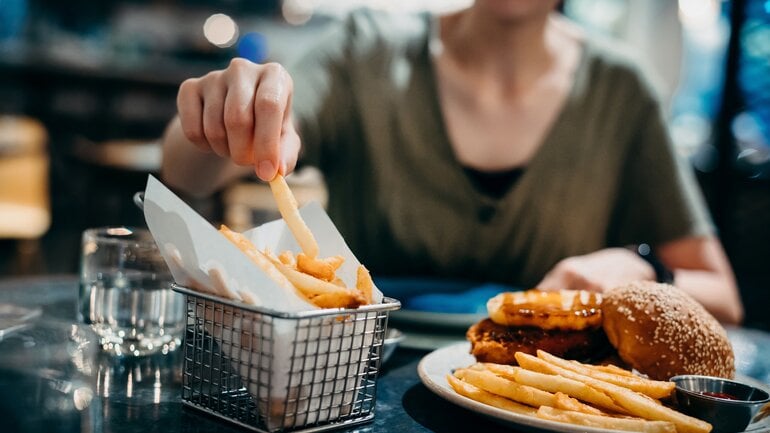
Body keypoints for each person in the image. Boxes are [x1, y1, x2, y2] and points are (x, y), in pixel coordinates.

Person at [161, 1, 744, 324]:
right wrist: (216, 122)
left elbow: (723, 296)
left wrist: (644, 270)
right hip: (351, 390)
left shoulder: (621, 92)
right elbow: (186, 172)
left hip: (543, 409)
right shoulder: (365, 50)